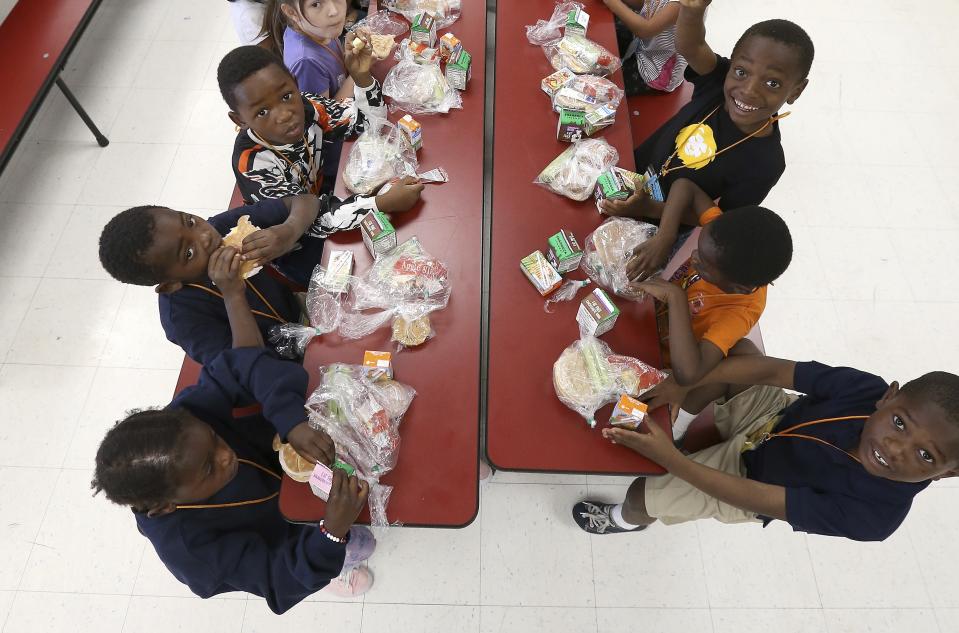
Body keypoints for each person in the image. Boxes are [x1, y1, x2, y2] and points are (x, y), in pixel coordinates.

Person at [91, 347, 377, 611]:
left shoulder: (183, 425)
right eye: (208, 469)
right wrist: (332, 533)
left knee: (358, 518)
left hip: (288, 475)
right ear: (166, 507)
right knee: (348, 545)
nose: (227, 456)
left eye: (214, 438)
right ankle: (337, 565)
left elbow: (240, 364)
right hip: (284, 537)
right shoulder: (192, 553)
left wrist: (291, 422)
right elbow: (278, 579)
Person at [572, 352, 959, 543]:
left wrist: (670, 461)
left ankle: (624, 520)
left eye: (926, 456)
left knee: (645, 491)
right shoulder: (865, 389)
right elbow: (772, 371)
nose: (895, 448)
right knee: (736, 358)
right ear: (888, 398)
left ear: (947, 473)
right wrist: (683, 385)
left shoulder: (877, 516)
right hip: (774, 417)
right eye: (900, 423)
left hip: (751, 482)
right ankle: (679, 430)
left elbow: (760, 498)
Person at [601, 0, 813, 223]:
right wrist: (693, 10)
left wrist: (649, 209)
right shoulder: (719, 83)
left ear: (796, 91)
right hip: (629, 174)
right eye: (741, 71)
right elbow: (692, 46)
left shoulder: (766, 163)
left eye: (772, 83)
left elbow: (720, 220)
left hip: (659, 226)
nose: (748, 91)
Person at [624, 178, 792, 443]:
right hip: (649, 320)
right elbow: (684, 186)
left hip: (673, 362)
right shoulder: (722, 238)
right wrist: (666, 236)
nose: (693, 259)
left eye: (703, 266)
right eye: (698, 250)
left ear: (739, 286)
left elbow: (688, 373)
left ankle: (676, 430)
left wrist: (676, 297)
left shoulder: (741, 311)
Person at [219, 44, 422, 212]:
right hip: (296, 242)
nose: (284, 115)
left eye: (286, 96)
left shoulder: (309, 106)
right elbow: (307, 222)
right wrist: (380, 204)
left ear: (294, 83)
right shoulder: (253, 165)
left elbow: (369, 124)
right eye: (262, 112)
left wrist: (361, 77)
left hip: (327, 197)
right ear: (240, 121)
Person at [262, 0, 355, 193]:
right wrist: (358, 73)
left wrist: (350, 57)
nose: (333, 11)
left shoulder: (321, 31)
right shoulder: (306, 61)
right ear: (291, 12)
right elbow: (326, 121)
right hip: (335, 156)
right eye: (316, 4)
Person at [604, 0, 687, 95]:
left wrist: (612, 2)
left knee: (603, 83)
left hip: (654, 69)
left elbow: (645, 31)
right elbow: (645, 3)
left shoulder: (681, 4)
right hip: (642, 45)